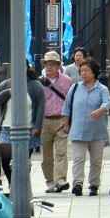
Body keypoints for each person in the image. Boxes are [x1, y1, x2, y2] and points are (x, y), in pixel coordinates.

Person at [62, 58, 110, 197]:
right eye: (81, 71)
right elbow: (67, 107)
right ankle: (77, 183)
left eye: (86, 71)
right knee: (78, 159)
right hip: (78, 130)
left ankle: (94, 184)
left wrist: (100, 110)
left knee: (96, 160)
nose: (83, 73)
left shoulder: (102, 89)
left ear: (94, 73)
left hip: (97, 131)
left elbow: (107, 104)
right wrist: (66, 123)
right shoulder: (75, 88)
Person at [0, 64, 44, 185]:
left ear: (27, 68)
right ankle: (11, 183)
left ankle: (22, 185)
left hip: (28, 129)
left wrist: (37, 126)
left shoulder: (35, 85)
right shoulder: (6, 84)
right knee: (5, 158)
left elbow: (41, 107)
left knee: (23, 160)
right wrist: (8, 92)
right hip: (7, 127)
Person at [38, 51, 73, 193]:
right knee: (46, 156)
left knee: (61, 152)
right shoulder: (39, 82)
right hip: (44, 121)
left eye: (53, 64)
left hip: (61, 119)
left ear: (59, 65)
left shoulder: (67, 81)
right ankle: (50, 181)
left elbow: (71, 102)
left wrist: (69, 120)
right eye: (47, 64)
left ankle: (60, 179)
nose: (49, 67)